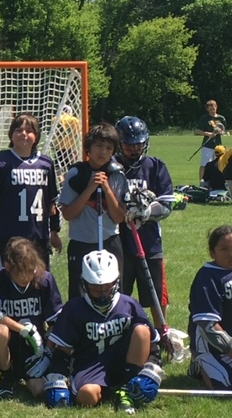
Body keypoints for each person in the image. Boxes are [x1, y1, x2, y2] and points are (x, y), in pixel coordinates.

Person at [45, 250, 164, 413]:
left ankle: (125, 389)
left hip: (124, 363)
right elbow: (63, 351)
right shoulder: (74, 309)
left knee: (142, 331)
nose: (101, 295)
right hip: (90, 366)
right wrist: (57, 377)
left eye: (106, 288)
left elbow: (152, 344)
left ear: (116, 282)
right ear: (85, 284)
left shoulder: (129, 305)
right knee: (86, 396)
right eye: (95, 289)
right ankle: (108, 390)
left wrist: (151, 369)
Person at [0, 237, 64, 399]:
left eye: (30, 271)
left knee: (39, 390)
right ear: (8, 266)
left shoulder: (43, 279)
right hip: (8, 343)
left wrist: (47, 354)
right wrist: (23, 329)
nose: (26, 277)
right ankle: (7, 375)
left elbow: (56, 323)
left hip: (35, 348)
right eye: (21, 272)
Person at [0, 113, 62, 270]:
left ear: (36, 136)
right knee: (9, 287)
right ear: (11, 134)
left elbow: (51, 204)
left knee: (39, 286)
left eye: (29, 130)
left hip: (38, 238)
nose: (23, 134)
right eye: (18, 130)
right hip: (8, 238)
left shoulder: (45, 164)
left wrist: (54, 232)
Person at [114, 116, 174, 331]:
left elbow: (167, 205)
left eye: (138, 143)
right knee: (119, 294)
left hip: (149, 243)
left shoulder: (155, 166)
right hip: (119, 243)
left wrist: (147, 211)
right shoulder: (112, 167)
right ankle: (122, 332)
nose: (134, 149)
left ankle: (162, 332)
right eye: (129, 144)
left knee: (156, 295)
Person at [59, 122, 127, 300]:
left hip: (110, 240)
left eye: (108, 148)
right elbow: (68, 214)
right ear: (88, 147)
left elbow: (119, 217)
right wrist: (89, 189)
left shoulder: (117, 175)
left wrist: (106, 189)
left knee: (113, 291)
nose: (102, 152)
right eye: (98, 146)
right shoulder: (76, 174)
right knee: (79, 292)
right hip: (82, 242)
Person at [188, 225, 232, 389]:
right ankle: (200, 364)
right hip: (212, 345)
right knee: (226, 386)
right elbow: (208, 326)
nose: (231, 254)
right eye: (224, 249)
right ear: (212, 252)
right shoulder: (207, 278)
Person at [195, 100, 227, 182]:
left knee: (219, 164)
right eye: (211, 109)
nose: (213, 111)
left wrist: (220, 132)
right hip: (208, 145)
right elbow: (197, 131)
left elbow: (223, 131)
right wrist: (209, 134)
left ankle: (217, 181)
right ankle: (202, 181)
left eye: (214, 108)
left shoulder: (221, 118)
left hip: (219, 146)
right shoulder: (205, 118)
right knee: (205, 164)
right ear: (207, 109)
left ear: (216, 107)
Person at [53, 105, 82, 179]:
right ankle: (66, 181)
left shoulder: (55, 119)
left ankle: (61, 181)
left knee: (58, 167)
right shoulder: (74, 120)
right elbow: (77, 133)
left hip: (58, 146)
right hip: (70, 146)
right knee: (69, 166)